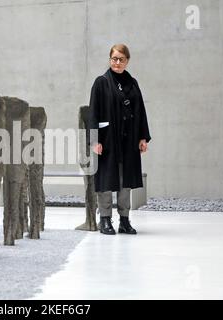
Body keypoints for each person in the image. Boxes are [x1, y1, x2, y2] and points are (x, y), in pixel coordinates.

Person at [88, 44, 151, 235]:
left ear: (127, 61)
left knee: (126, 181)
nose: (117, 62)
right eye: (114, 58)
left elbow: (140, 111)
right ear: (110, 59)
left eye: (121, 59)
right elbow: (93, 113)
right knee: (106, 179)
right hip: (107, 140)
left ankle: (124, 220)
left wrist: (143, 137)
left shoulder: (133, 83)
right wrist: (94, 140)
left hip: (129, 139)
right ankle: (105, 220)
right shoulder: (101, 83)